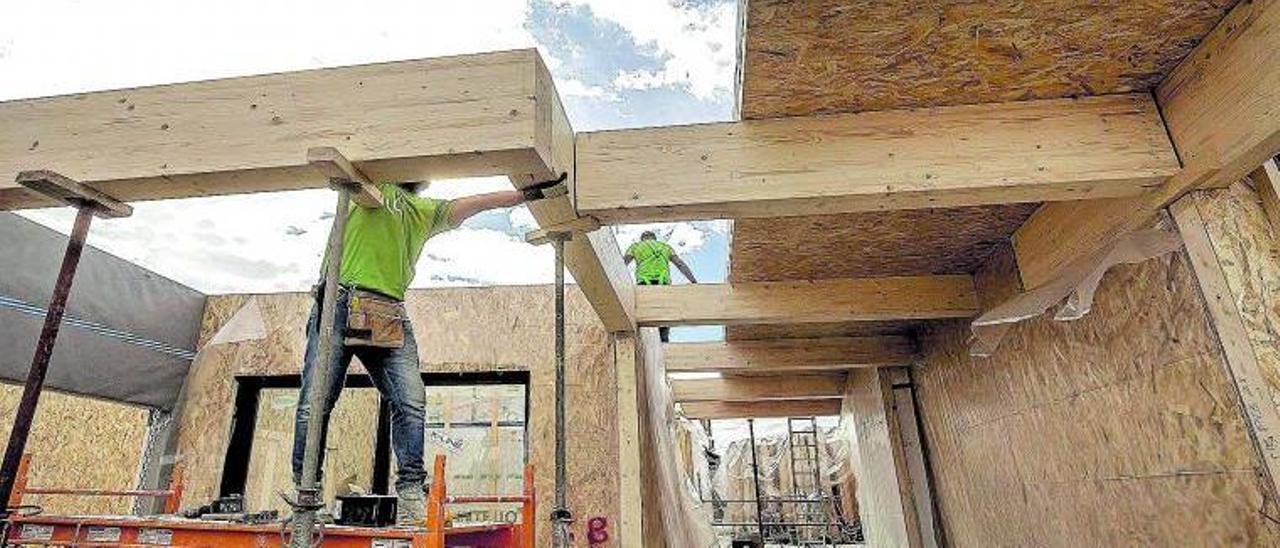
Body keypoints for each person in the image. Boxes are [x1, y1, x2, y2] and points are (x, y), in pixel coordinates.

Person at [292, 177, 561, 526]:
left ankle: (410, 493)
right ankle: (306, 496)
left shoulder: (424, 210)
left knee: (410, 400)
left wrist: (527, 193)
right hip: (339, 300)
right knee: (316, 401)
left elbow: (476, 202)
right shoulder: (369, 186)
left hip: (387, 309)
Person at [623, 230, 697, 342]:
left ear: (643, 238)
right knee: (664, 319)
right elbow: (680, 264)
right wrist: (693, 281)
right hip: (663, 286)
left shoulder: (636, 246)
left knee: (644, 319)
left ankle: (643, 347)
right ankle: (663, 345)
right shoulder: (664, 247)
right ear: (654, 238)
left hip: (644, 286)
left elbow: (622, 264)